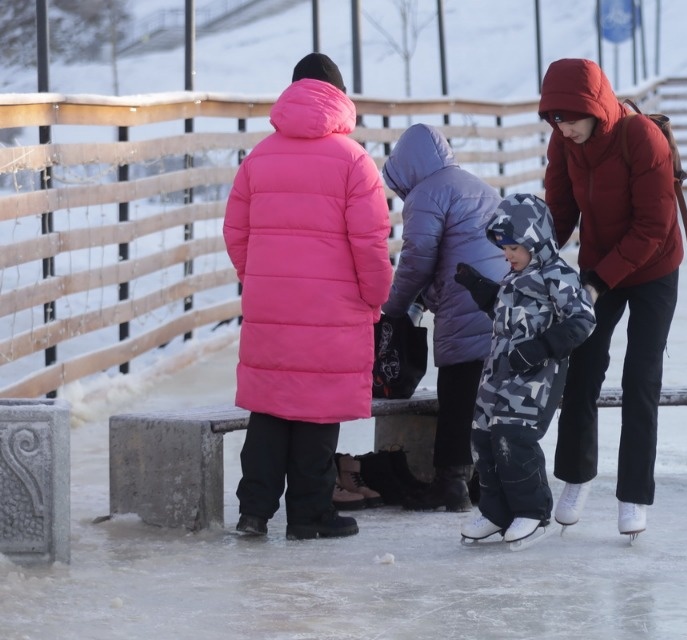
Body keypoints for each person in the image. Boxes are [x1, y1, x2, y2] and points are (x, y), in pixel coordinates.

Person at [223, 53, 394, 540]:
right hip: (333, 312)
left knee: (270, 406)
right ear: (340, 97)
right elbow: (370, 244)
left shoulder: (258, 157)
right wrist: (373, 297)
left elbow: (235, 232)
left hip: (270, 305)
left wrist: (258, 277)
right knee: (317, 412)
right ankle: (309, 514)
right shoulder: (353, 160)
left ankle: (253, 512)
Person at [537, 58, 683, 539]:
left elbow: (653, 226)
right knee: (582, 368)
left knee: (641, 376)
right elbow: (559, 210)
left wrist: (598, 282)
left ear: (594, 108)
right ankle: (577, 478)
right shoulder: (565, 142)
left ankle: (634, 495)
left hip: (654, 265)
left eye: (570, 117)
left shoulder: (641, 137)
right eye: (554, 119)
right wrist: (531, 259)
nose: (563, 127)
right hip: (599, 263)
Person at [379, 123, 507, 512]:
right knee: (490, 399)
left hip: (466, 304)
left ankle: (451, 484)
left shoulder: (426, 194)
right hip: (503, 304)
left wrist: (394, 307)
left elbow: (418, 260)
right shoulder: (476, 185)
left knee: (457, 393)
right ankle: (487, 483)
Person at [455, 193, 595, 544]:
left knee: (513, 438)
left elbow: (582, 319)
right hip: (497, 371)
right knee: (483, 437)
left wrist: (541, 348)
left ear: (535, 239)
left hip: (535, 377)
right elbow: (508, 316)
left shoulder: (557, 275)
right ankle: (495, 510)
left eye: (514, 247)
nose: (507, 254)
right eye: (504, 248)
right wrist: (480, 289)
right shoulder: (515, 277)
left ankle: (532, 512)